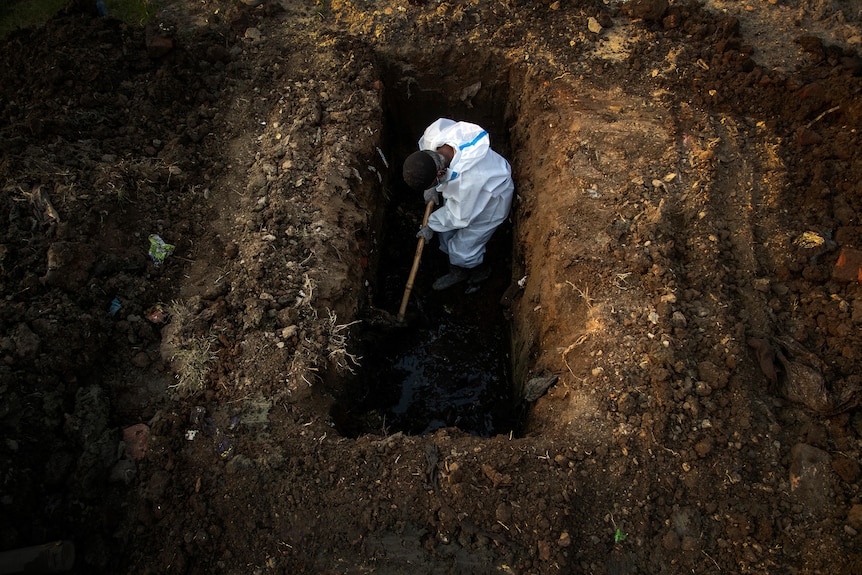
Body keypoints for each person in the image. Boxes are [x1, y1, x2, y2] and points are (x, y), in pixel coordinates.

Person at [401, 118, 514, 293]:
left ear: (439, 174)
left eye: (432, 184)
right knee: (446, 234)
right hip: (465, 194)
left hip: (491, 199)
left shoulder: (468, 182)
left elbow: (460, 216)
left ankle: (477, 271)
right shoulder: (434, 136)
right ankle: (454, 266)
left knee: (463, 250)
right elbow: (425, 154)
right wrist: (432, 189)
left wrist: (431, 224)